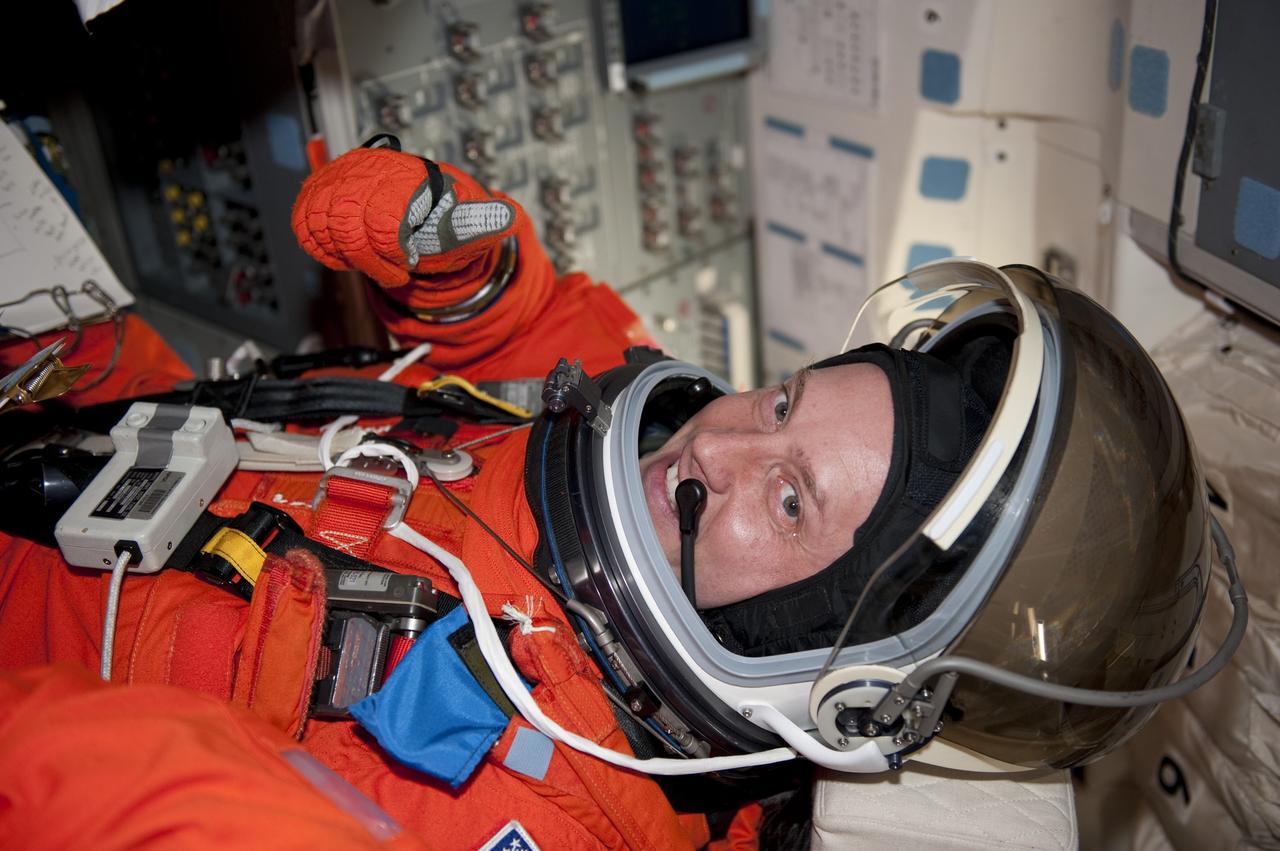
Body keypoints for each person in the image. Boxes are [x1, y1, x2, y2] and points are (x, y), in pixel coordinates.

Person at [0, 143, 1228, 848]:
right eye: (790, 399)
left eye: (791, 501)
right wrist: (467, 276)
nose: (721, 440)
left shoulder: (567, 806)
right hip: (84, 415)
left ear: (828, 663)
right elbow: (536, 333)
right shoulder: (629, 413)